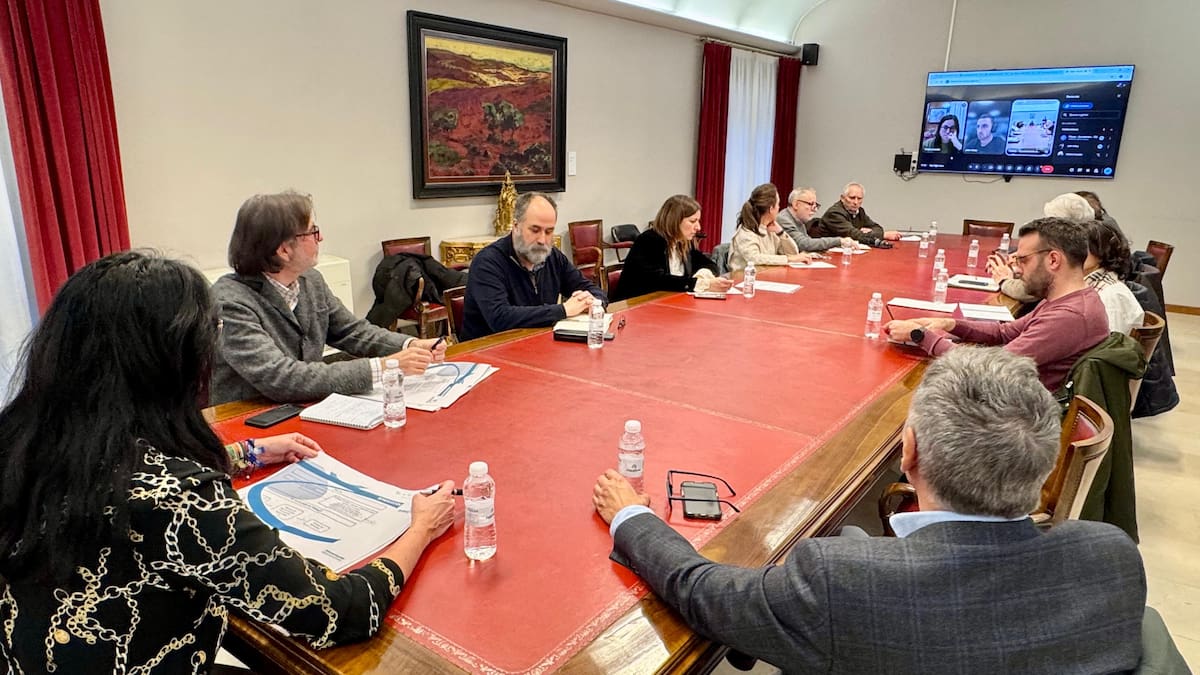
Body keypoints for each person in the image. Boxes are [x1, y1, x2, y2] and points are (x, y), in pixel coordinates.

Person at [0, 251, 457, 672]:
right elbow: (338, 611)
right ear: (170, 362)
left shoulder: (24, 437)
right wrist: (422, 527)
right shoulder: (179, 497)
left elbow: (122, 471)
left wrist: (243, 453)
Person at [591, 347, 1146, 674]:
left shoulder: (844, 582)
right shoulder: (1111, 558)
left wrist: (631, 517)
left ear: (909, 452)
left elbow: (702, 590)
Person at [210, 191, 445, 406]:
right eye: (312, 232)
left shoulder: (311, 281)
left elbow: (352, 331)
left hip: (304, 408)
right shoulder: (231, 302)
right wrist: (385, 367)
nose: (320, 238)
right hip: (248, 419)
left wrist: (409, 345)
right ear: (283, 250)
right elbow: (281, 378)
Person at [886, 217, 1109, 392]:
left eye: (1023, 259)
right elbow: (1005, 332)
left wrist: (921, 336)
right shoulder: (1068, 300)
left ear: (1053, 260)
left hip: (1016, 423)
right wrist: (949, 323)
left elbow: (986, 369)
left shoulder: (1070, 316)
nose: (1017, 269)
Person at [461, 191, 606, 341]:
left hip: (538, 343)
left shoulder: (552, 256)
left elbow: (592, 289)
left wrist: (594, 302)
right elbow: (500, 318)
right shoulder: (487, 262)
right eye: (535, 230)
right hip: (488, 350)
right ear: (516, 226)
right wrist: (563, 310)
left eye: (549, 231)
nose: (542, 240)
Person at [611, 195, 734, 301]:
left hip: (670, 301)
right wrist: (702, 284)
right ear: (674, 221)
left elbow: (709, 264)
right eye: (692, 221)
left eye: (698, 221)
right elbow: (657, 281)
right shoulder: (649, 240)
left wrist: (704, 275)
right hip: (637, 306)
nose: (698, 227)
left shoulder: (684, 241)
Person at [986, 192, 1097, 305]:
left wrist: (1004, 280)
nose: (1046, 226)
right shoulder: (1085, 243)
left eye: (1051, 222)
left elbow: (1030, 290)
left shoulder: (1081, 253)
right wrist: (1022, 262)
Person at [727, 183, 812, 273]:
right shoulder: (746, 231)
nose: (779, 208)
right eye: (778, 204)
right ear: (771, 209)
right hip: (743, 280)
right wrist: (788, 259)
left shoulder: (771, 229)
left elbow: (794, 253)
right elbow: (754, 258)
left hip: (766, 276)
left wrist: (781, 233)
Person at [1083, 219, 1144, 335]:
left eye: (1083, 249)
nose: (1074, 254)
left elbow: (1109, 347)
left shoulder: (1111, 295)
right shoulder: (1093, 284)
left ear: (1102, 252)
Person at [811, 182, 901, 244]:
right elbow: (854, 235)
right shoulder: (834, 213)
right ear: (842, 198)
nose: (856, 202)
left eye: (859, 198)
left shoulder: (860, 211)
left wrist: (873, 231)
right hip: (828, 253)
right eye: (852, 198)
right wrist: (884, 235)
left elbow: (877, 227)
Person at [776, 187, 854, 253]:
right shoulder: (784, 219)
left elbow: (808, 242)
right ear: (796, 204)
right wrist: (839, 241)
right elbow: (803, 244)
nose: (815, 209)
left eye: (815, 205)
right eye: (810, 204)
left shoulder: (799, 220)